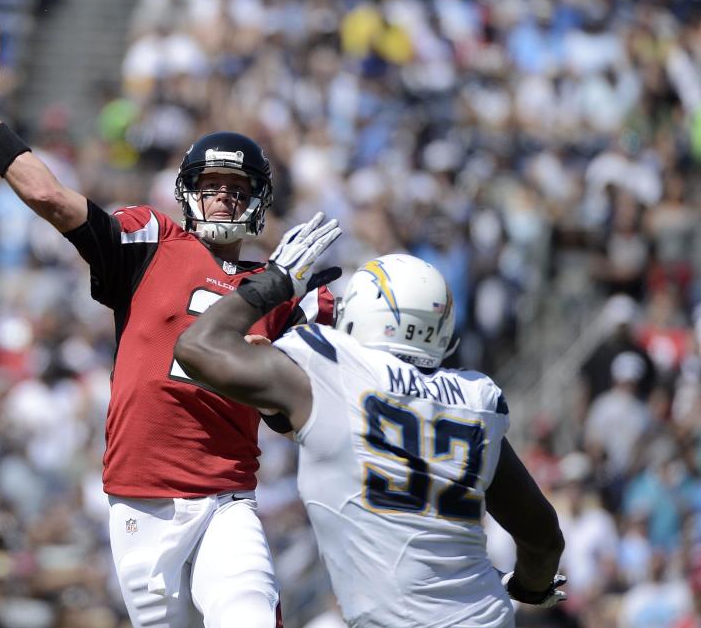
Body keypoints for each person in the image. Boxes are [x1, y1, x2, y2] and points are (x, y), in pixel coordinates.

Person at [0, 56, 334, 628]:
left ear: (257, 201)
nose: (221, 197)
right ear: (186, 193)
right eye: (210, 185)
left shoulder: (284, 289)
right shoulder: (154, 241)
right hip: (140, 499)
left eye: (235, 188)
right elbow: (48, 197)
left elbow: (314, 399)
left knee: (247, 615)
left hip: (226, 496)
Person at [175, 216, 567, 627]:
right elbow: (542, 538)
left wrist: (274, 282)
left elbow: (197, 346)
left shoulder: (329, 366)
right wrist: (530, 587)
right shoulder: (476, 398)